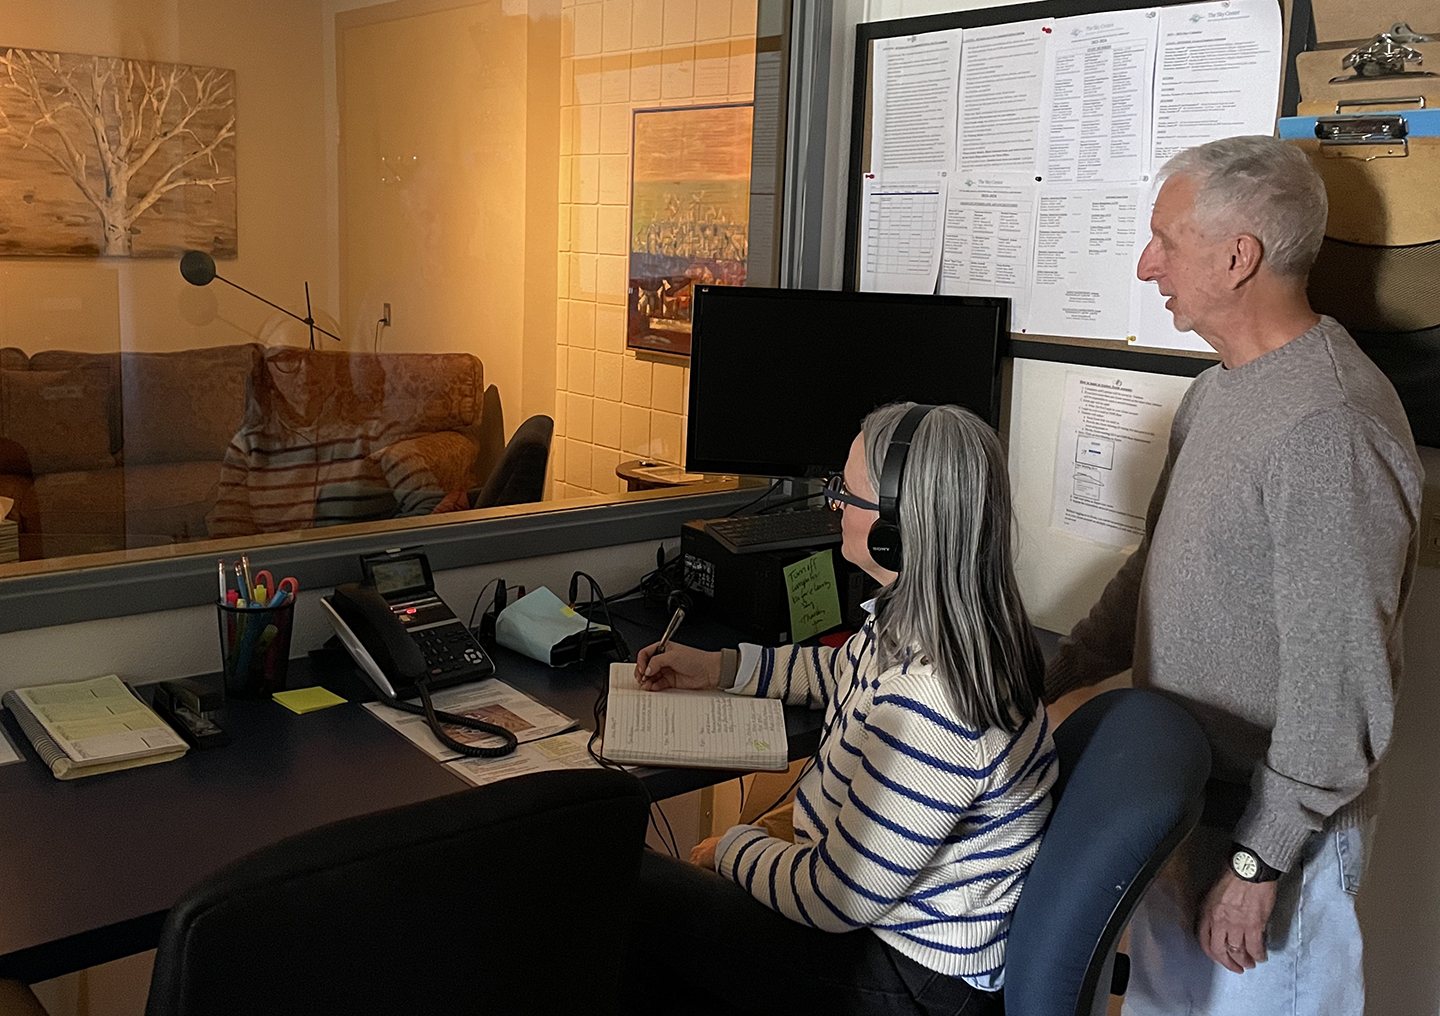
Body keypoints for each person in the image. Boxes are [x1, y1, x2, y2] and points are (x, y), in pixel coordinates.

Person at [1045, 135, 1423, 1016]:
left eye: (1164, 241)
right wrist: (1043, 681)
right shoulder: (1219, 392)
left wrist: (1262, 859)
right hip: (1182, 807)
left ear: (1237, 254)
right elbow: (1154, 568)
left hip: (1268, 846)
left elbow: (1341, 682)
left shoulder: (1329, 425)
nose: (1148, 265)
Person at [622, 403, 1056, 1016]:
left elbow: (834, 898)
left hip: (908, 976)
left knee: (624, 886)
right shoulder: (940, 622)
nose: (833, 505)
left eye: (845, 493)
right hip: (877, 917)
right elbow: (842, 670)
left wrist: (733, 850)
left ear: (898, 529)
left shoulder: (934, 700)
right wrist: (720, 668)